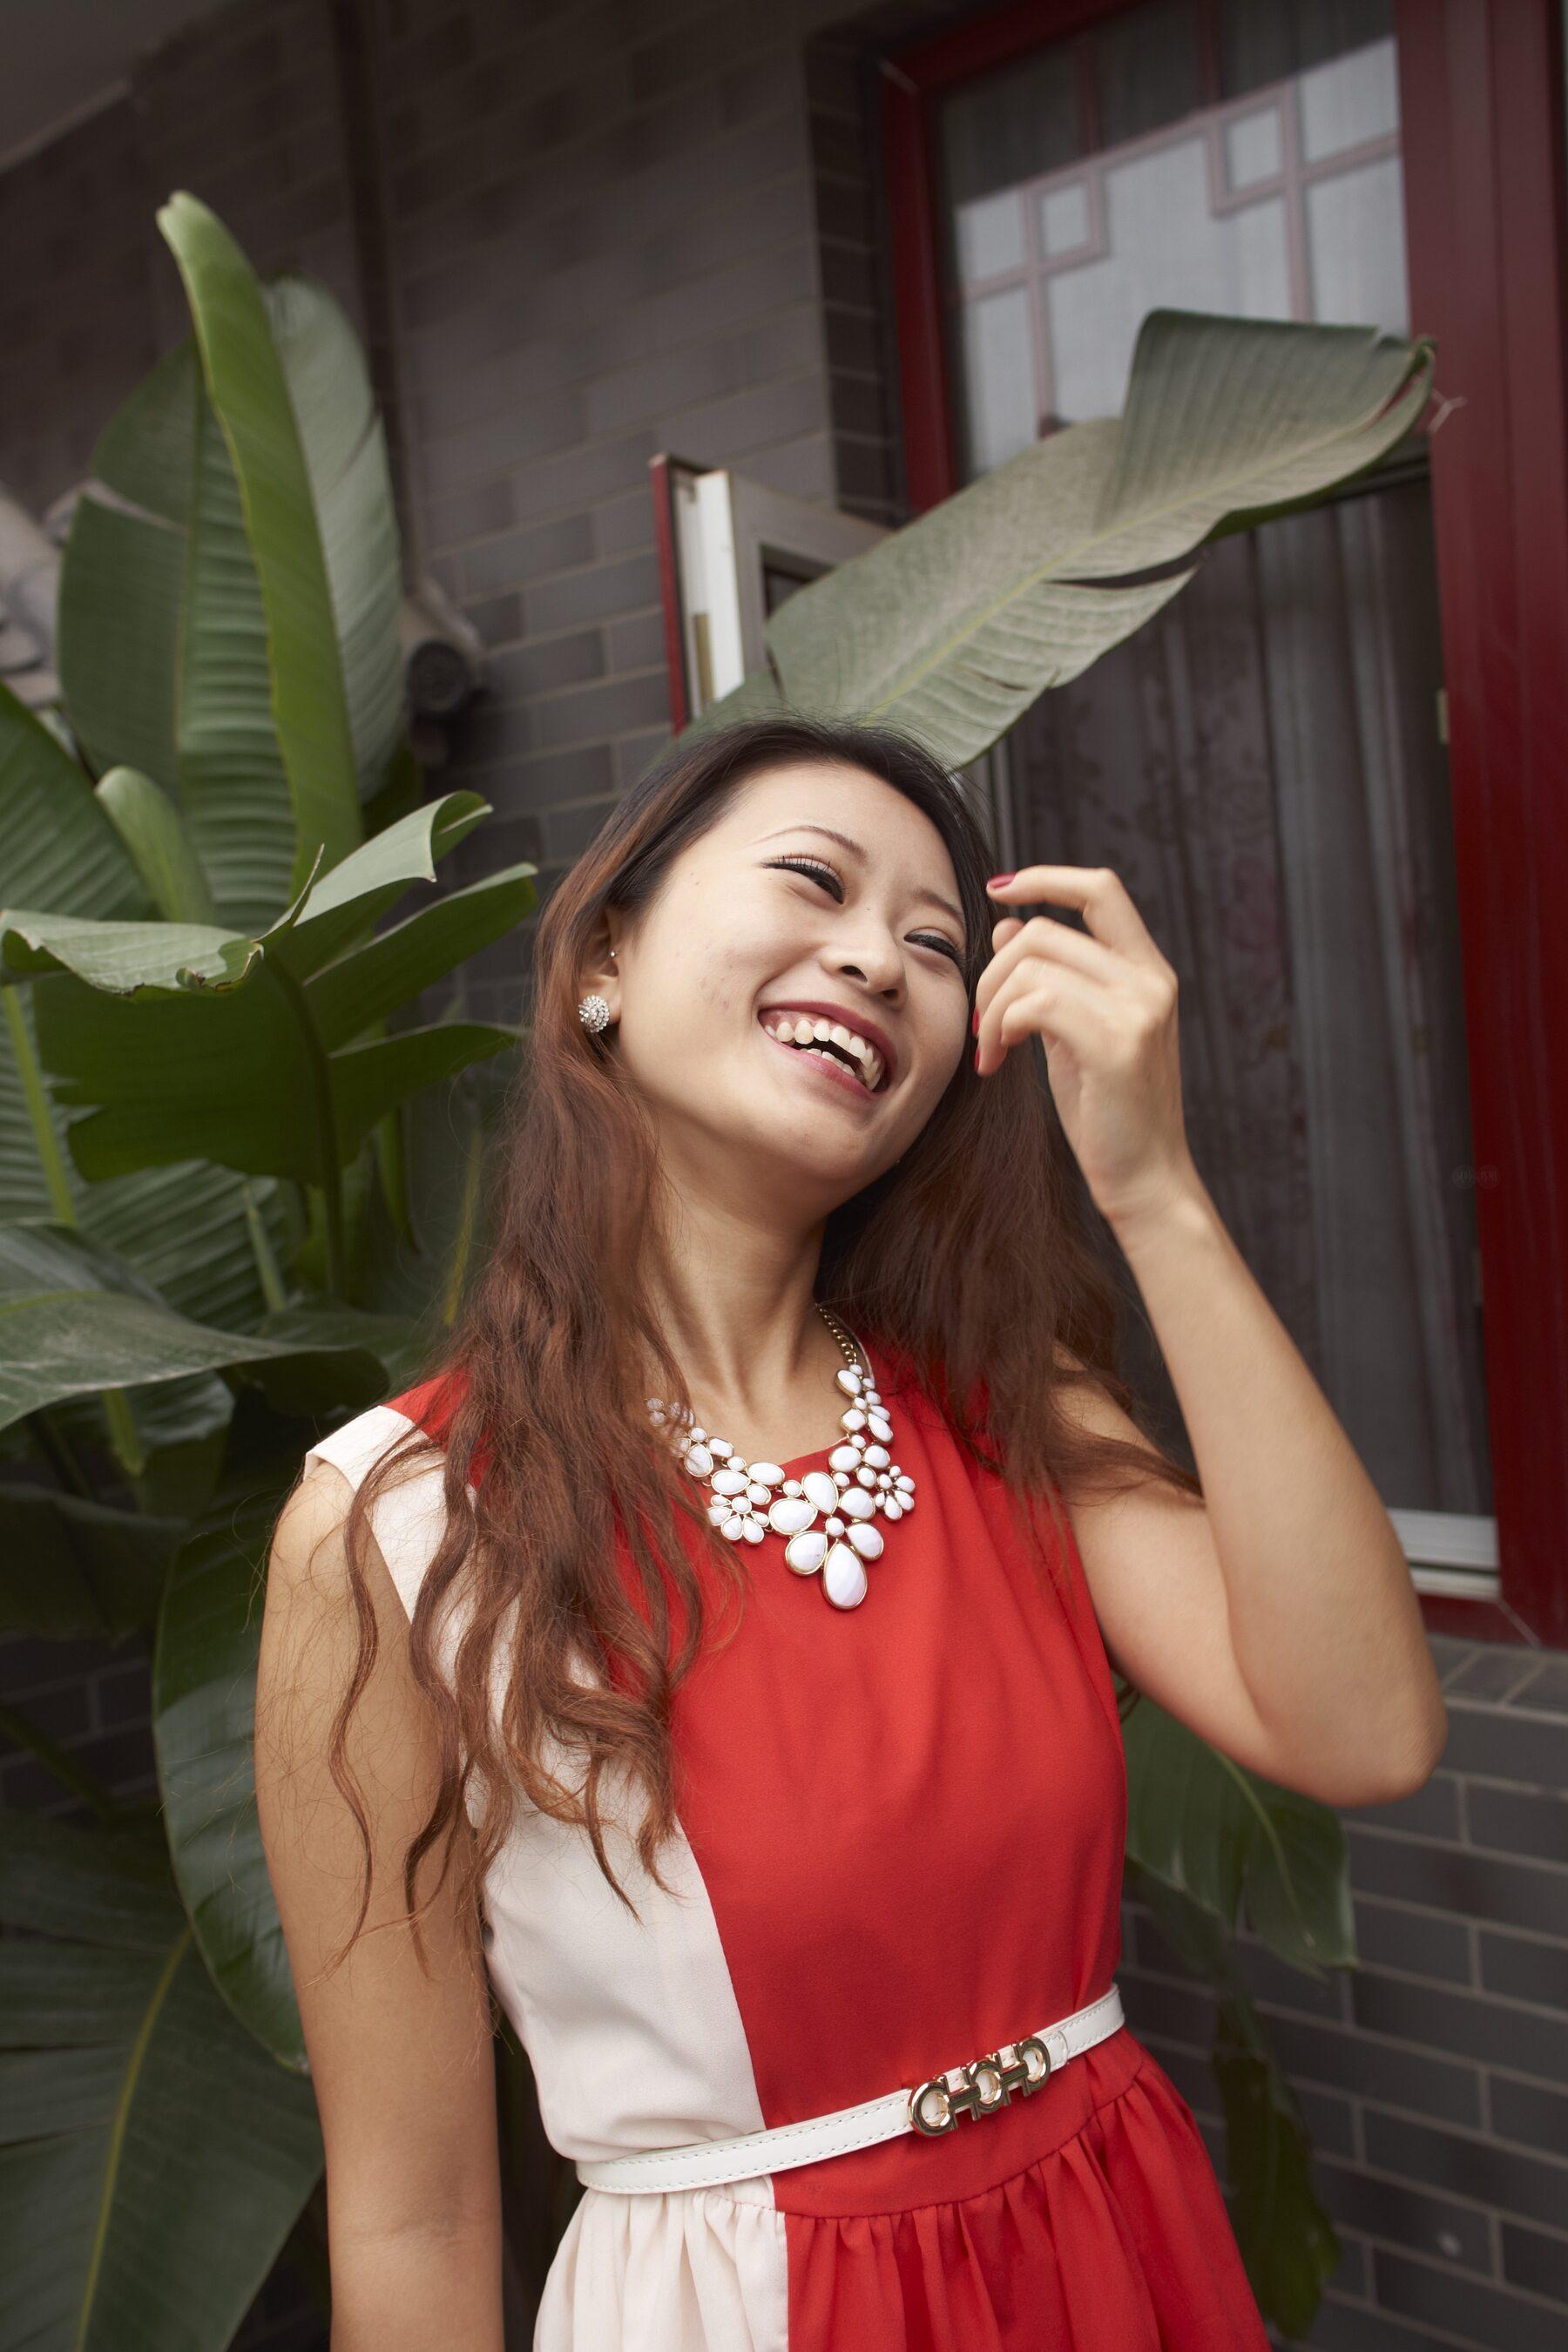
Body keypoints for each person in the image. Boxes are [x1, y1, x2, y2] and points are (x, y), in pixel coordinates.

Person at [255, 713, 1446, 2351]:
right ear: (604, 960)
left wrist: (1154, 1187)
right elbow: (415, 2215)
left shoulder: (1007, 1409)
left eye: (937, 946)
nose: (880, 959)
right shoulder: (399, 1523)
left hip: (1118, 2267)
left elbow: (1364, 1728)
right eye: (814, 881)